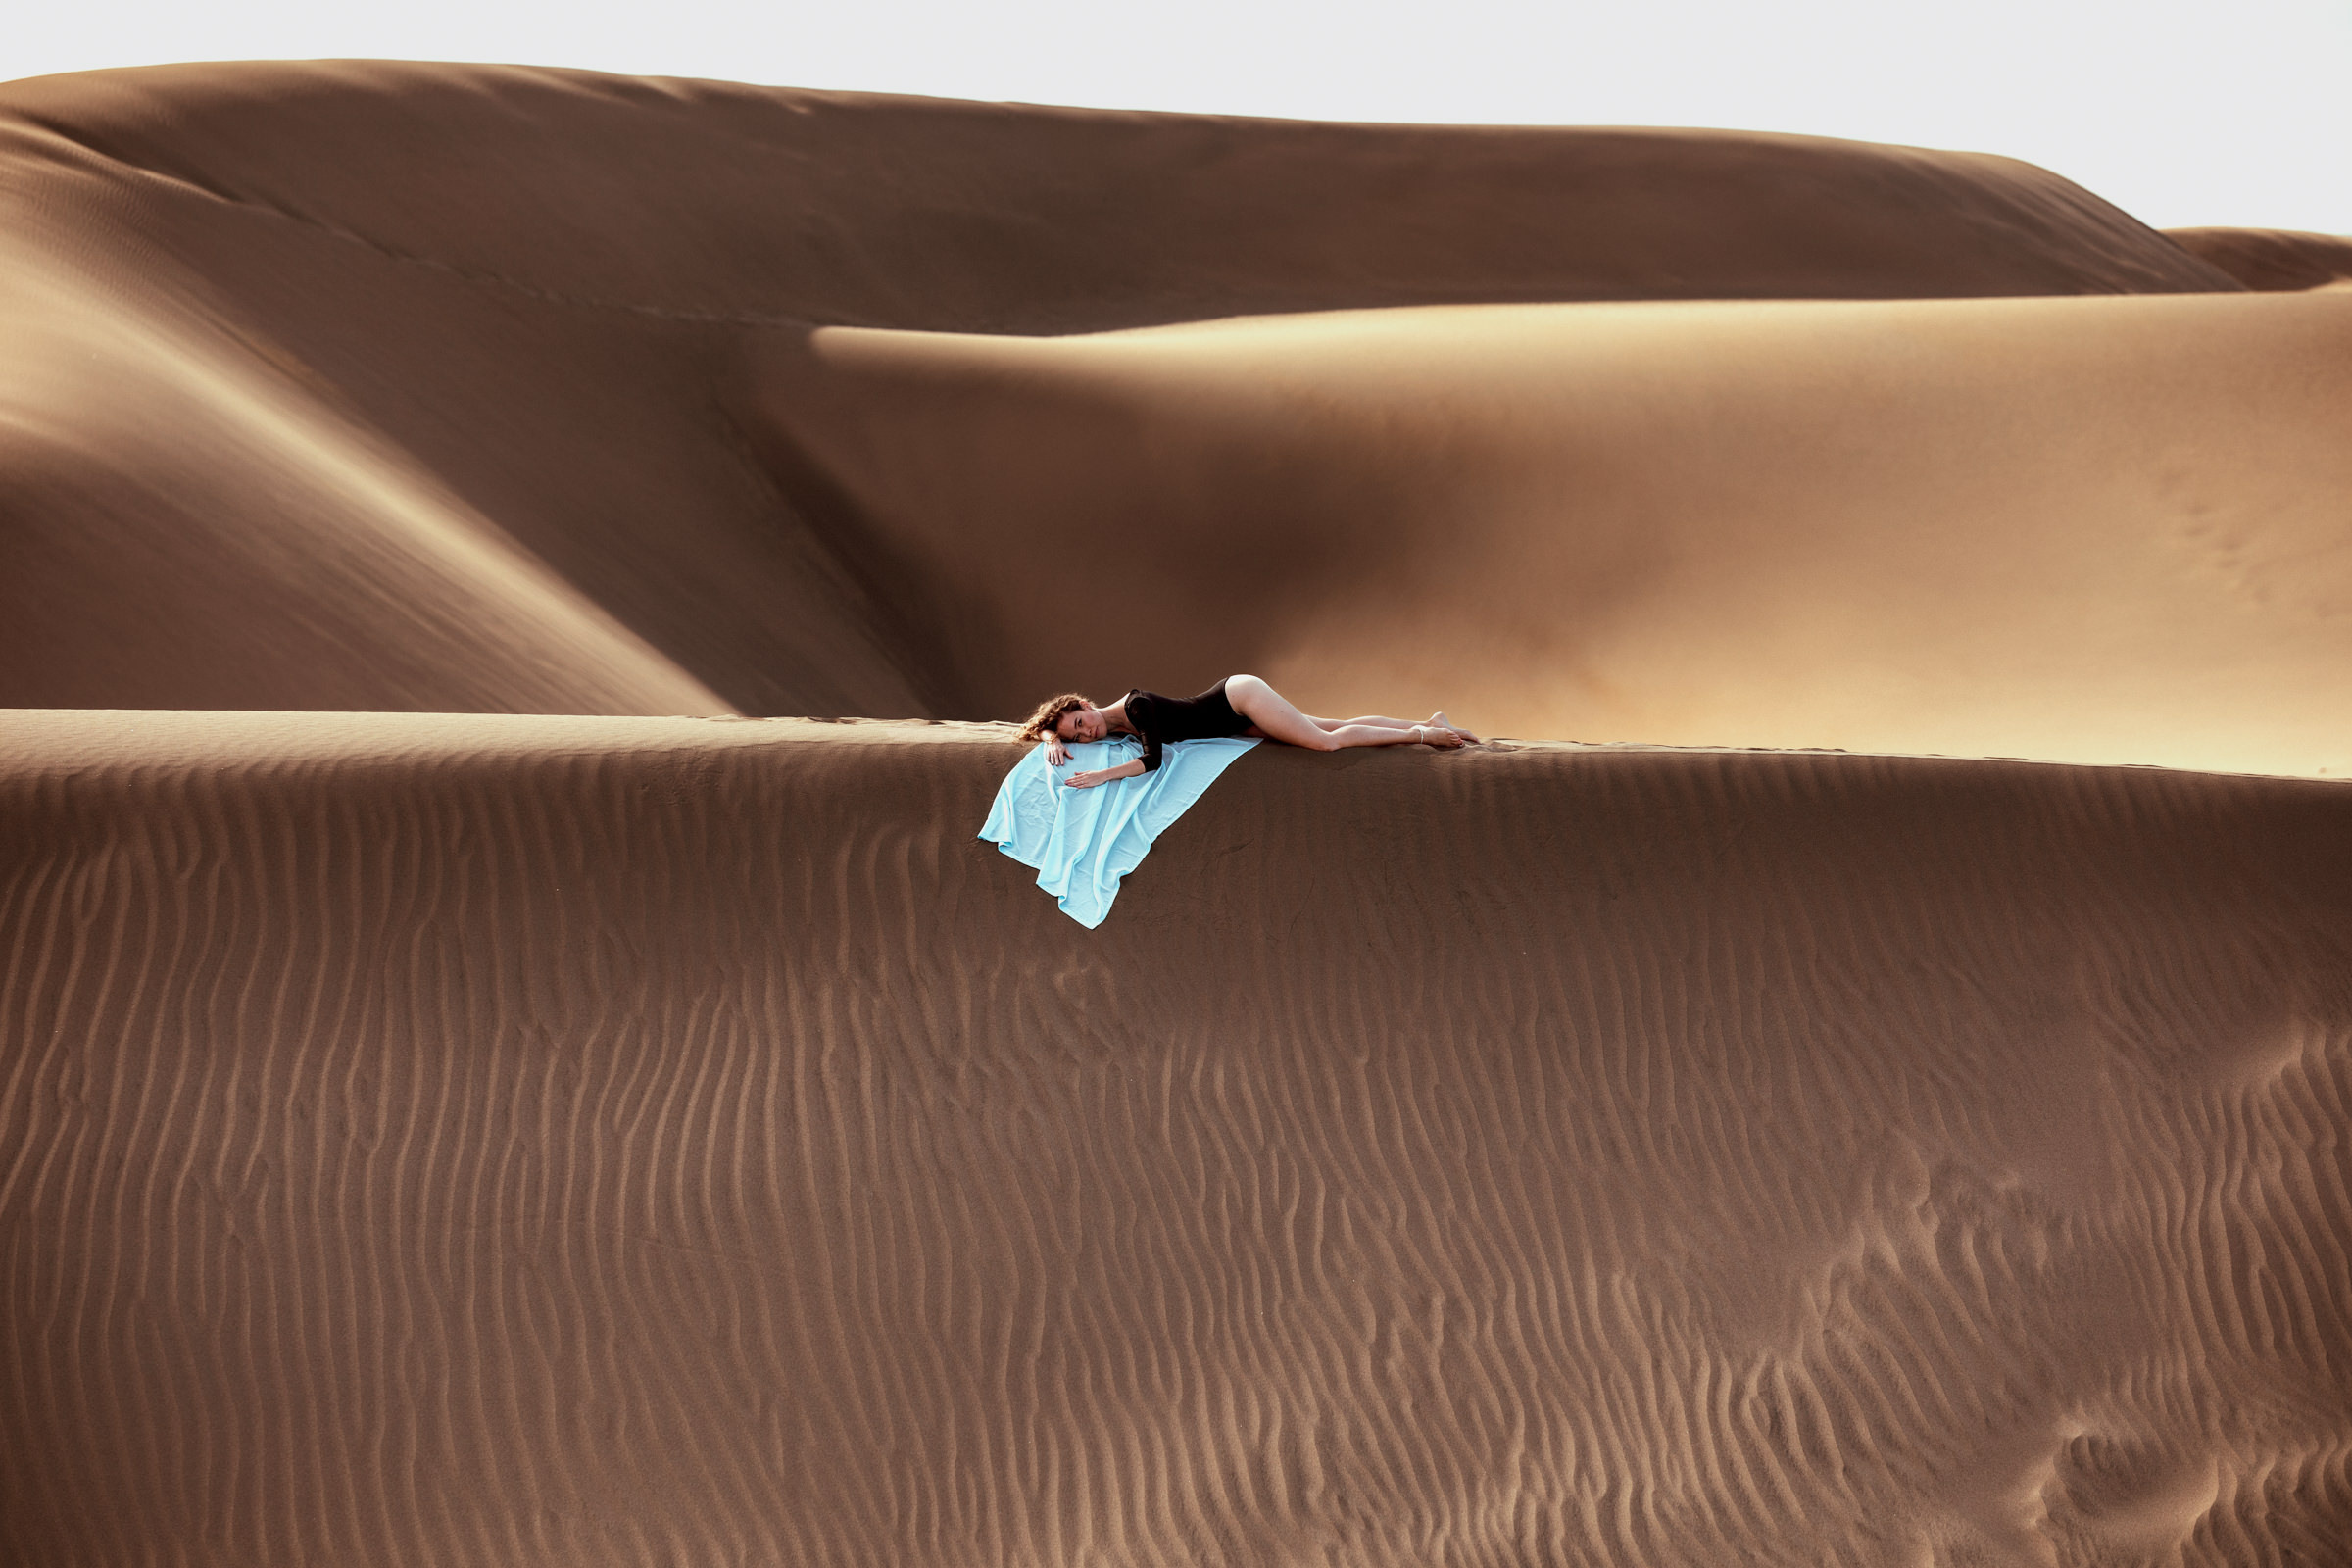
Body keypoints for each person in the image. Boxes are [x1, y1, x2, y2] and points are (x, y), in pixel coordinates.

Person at [1018, 675, 1478, 788]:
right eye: (1077, 737)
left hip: (1238, 699)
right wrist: (1051, 737)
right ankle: (1430, 721)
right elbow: (1036, 729)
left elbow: (1153, 760)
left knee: (1325, 742)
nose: (1086, 735)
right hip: (1237, 720)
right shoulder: (1114, 725)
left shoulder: (1134, 708)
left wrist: (1101, 776)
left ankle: (1423, 736)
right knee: (1331, 725)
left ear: (1084, 705)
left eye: (1080, 723)